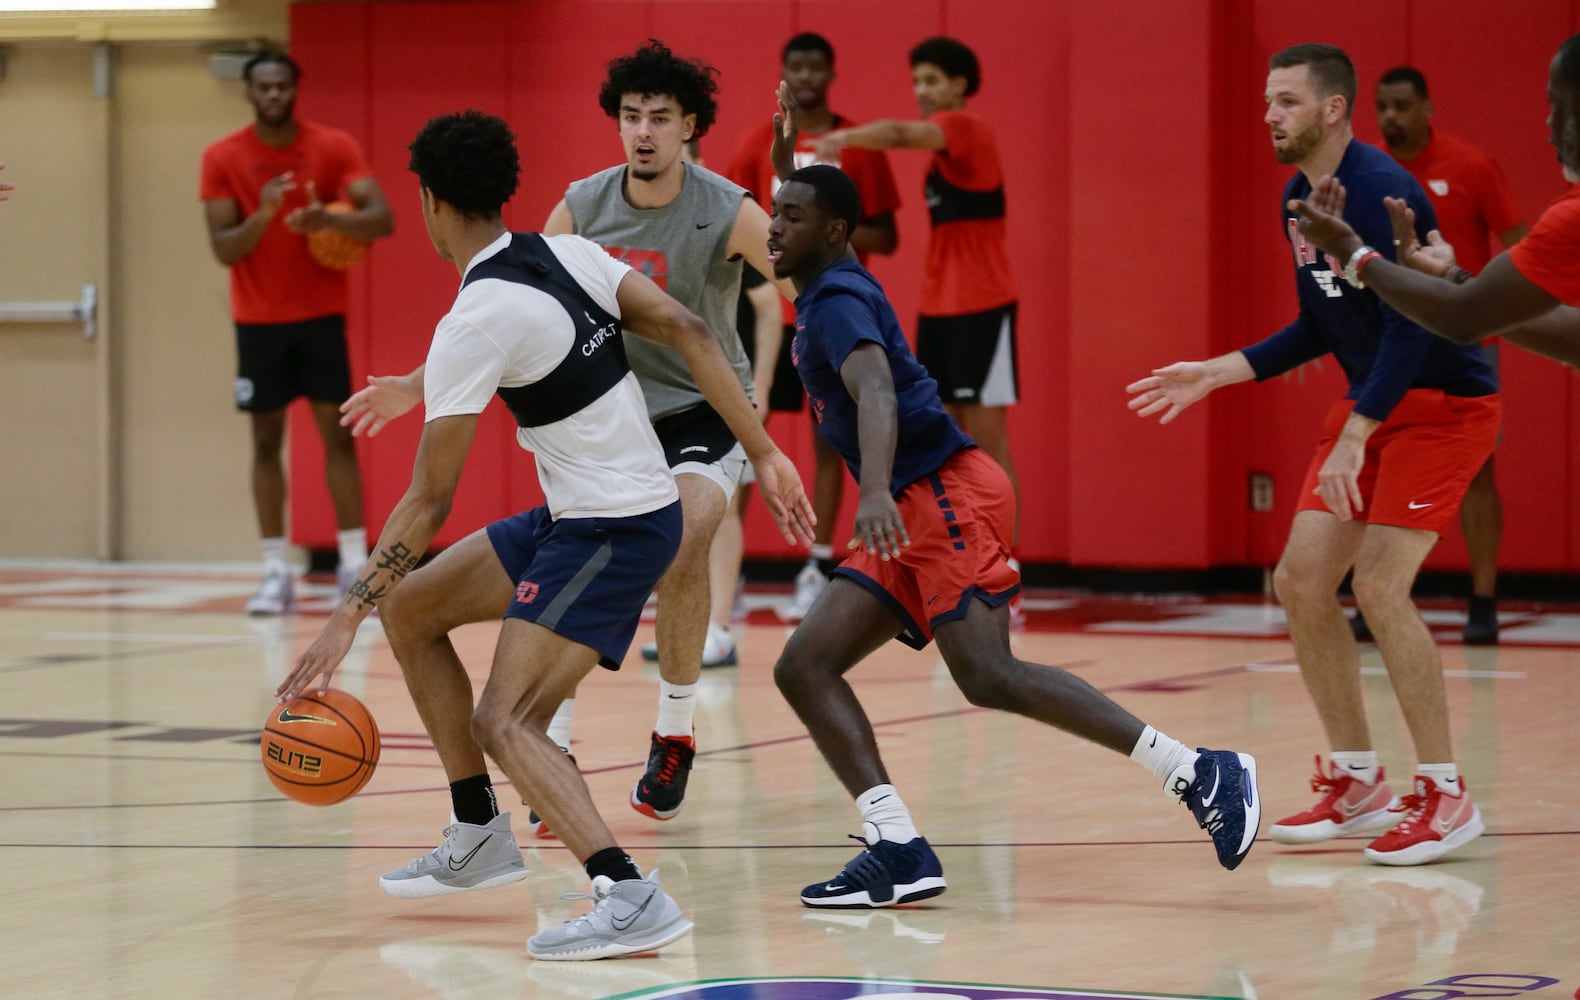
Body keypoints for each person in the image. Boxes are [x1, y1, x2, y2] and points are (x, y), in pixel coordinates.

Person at [274, 110, 812, 960]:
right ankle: (478, 828)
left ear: (430, 204)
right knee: (411, 610)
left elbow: (426, 501)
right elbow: (696, 330)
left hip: (614, 527)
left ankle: (630, 894)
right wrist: (766, 450)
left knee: (508, 719)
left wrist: (342, 616)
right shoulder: (569, 254)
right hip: (592, 512)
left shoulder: (476, 318)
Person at [765, 160, 1260, 906]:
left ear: (833, 232)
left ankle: (1197, 771)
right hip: (914, 499)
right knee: (805, 665)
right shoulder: (835, 273)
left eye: (791, 216)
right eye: (774, 211)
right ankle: (897, 844)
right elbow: (817, 211)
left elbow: (873, 390)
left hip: (937, 496)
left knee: (988, 674)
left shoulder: (835, 301)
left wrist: (869, 491)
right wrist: (788, 167)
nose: (773, 225)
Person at [1127, 43, 1498, 866]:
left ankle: (1445, 793)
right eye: (1266, 101)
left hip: (1442, 406)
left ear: (1333, 109)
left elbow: (1413, 323)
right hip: (1373, 402)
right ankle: (1359, 780)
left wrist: (1360, 432)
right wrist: (1220, 372)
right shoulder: (1298, 197)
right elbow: (1320, 323)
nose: (1269, 115)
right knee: (1299, 581)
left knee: (1379, 585)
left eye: (1286, 101)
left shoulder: (1380, 189)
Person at [536, 39, 802, 828]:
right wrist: (423, 380)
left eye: (659, 117)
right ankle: (550, 745)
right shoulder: (582, 206)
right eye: (630, 117)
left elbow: (805, 279)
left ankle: (676, 730)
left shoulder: (726, 207)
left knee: (684, 536)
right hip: (606, 417)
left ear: (690, 126)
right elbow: (515, 303)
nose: (643, 131)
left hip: (701, 410)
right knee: (573, 567)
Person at [807, 37, 1023, 576]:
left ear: (958, 85)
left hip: (982, 303)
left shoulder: (964, 127)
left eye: (930, 80)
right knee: (944, 437)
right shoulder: (944, 156)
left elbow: (901, 132)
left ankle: (1002, 564)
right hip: (940, 307)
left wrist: (842, 138)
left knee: (989, 439)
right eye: (916, 80)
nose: (920, 91)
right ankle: (956, 553)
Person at [200, 51, 394, 615]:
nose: (274, 95)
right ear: (249, 92)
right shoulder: (222, 156)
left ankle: (355, 567)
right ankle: (272, 571)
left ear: (295, 89)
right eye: (264, 86)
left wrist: (326, 220)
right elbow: (221, 248)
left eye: (283, 85)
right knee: (264, 442)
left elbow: (382, 218)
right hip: (257, 323)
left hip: (319, 318)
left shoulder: (331, 147)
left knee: (338, 437)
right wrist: (262, 216)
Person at [1289, 34, 1580, 401]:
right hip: (1411, 324)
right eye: (1382, 106)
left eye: (1558, 104)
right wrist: (1451, 276)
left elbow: (1466, 317)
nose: (1549, 121)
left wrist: (1352, 253)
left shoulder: (1480, 170)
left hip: (1457, 322)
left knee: (1470, 442)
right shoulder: (1364, 172)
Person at [725, 31, 903, 622]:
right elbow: (737, 227)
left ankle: (819, 565)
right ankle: (730, 570)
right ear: (783, 71)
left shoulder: (856, 148)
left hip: (832, 314)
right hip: (767, 318)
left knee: (835, 444)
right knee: (747, 441)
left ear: (830, 74)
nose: (804, 77)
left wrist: (828, 231)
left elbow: (887, 234)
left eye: (814, 67)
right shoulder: (757, 143)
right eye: (793, 66)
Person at [1348, 66, 1528, 645]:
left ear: (1427, 108)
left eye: (1402, 106)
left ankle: (1483, 600)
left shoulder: (1472, 167)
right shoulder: (1368, 174)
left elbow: (1523, 246)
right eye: (1382, 106)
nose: (1391, 117)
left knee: (1477, 475)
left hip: (1463, 344)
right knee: (1373, 466)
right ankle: (1375, 593)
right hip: (1387, 344)